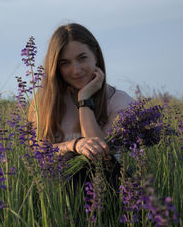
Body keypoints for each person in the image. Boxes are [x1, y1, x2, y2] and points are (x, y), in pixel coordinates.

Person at [28, 23, 133, 165]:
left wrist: (84, 100)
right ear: (56, 67)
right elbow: (37, 153)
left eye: (82, 58)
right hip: (55, 186)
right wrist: (74, 145)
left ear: (95, 55)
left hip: (105, 186)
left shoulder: (119, 100)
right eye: (65, 63)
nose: (76, 70)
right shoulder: (44, 101)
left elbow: (101, 157)